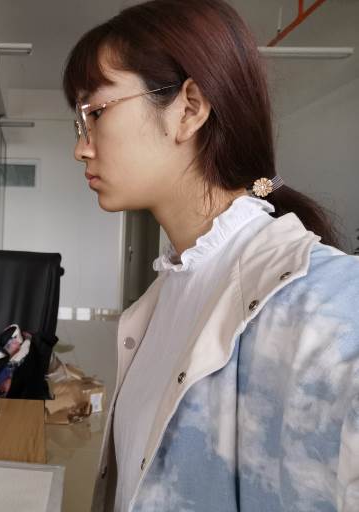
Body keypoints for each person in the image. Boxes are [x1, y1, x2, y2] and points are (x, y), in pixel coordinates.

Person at [62, 1, 359, 510]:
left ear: (190, 108)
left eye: (96, 113)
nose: (82, 148)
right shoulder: (165, 296)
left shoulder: (324, 307)